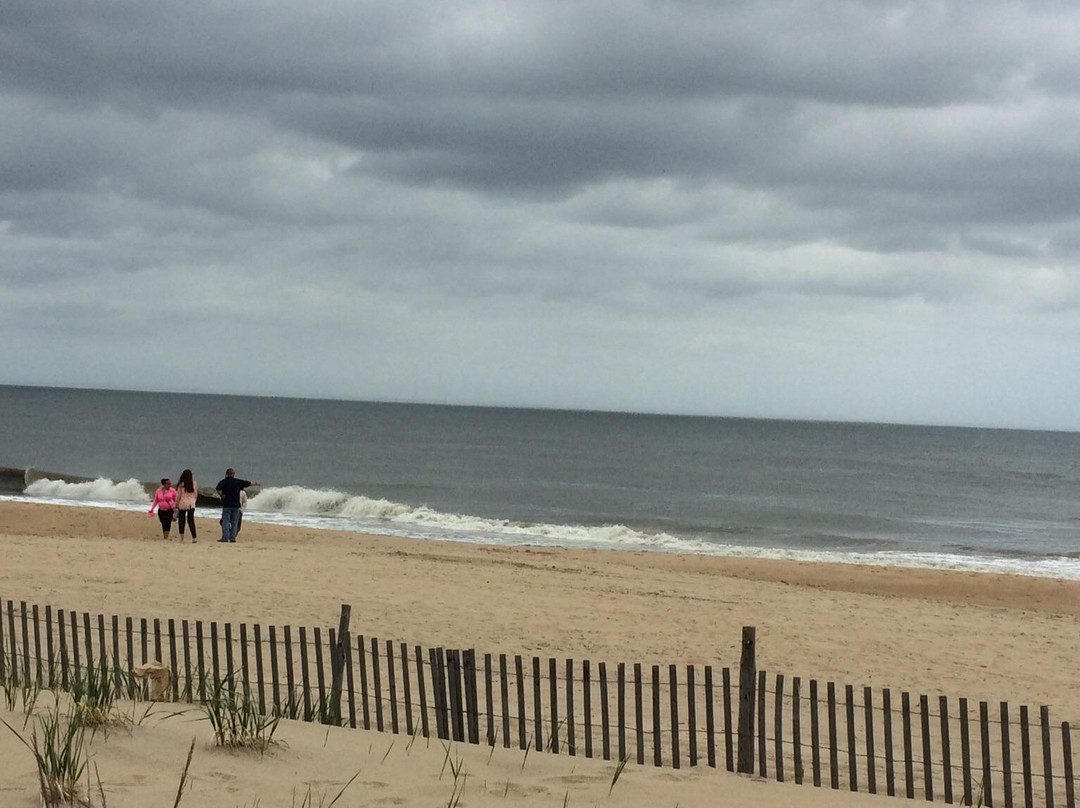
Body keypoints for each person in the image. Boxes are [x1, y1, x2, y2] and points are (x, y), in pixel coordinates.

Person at [216, 468, 259, 543]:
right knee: (234, 522)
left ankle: (225, 537)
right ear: (233, 474)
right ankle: (232, 538)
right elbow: (247, 483)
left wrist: (221, 495)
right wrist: (255, 483)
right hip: (236, 505)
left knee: (225, 521)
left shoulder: (223, 482)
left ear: (226, 474)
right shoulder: (237, 482)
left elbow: (218, 489)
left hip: (227, 504)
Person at [175, 468, 198, 543]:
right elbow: (195, 494)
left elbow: (178, 496)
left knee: (181, 520)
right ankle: (194, 537)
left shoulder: (181, 485)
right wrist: (194, 501)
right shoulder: (194, 483)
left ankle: (182, 538)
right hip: (191, 503)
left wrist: (176, 505)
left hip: (182, 503)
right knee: (191, 520)